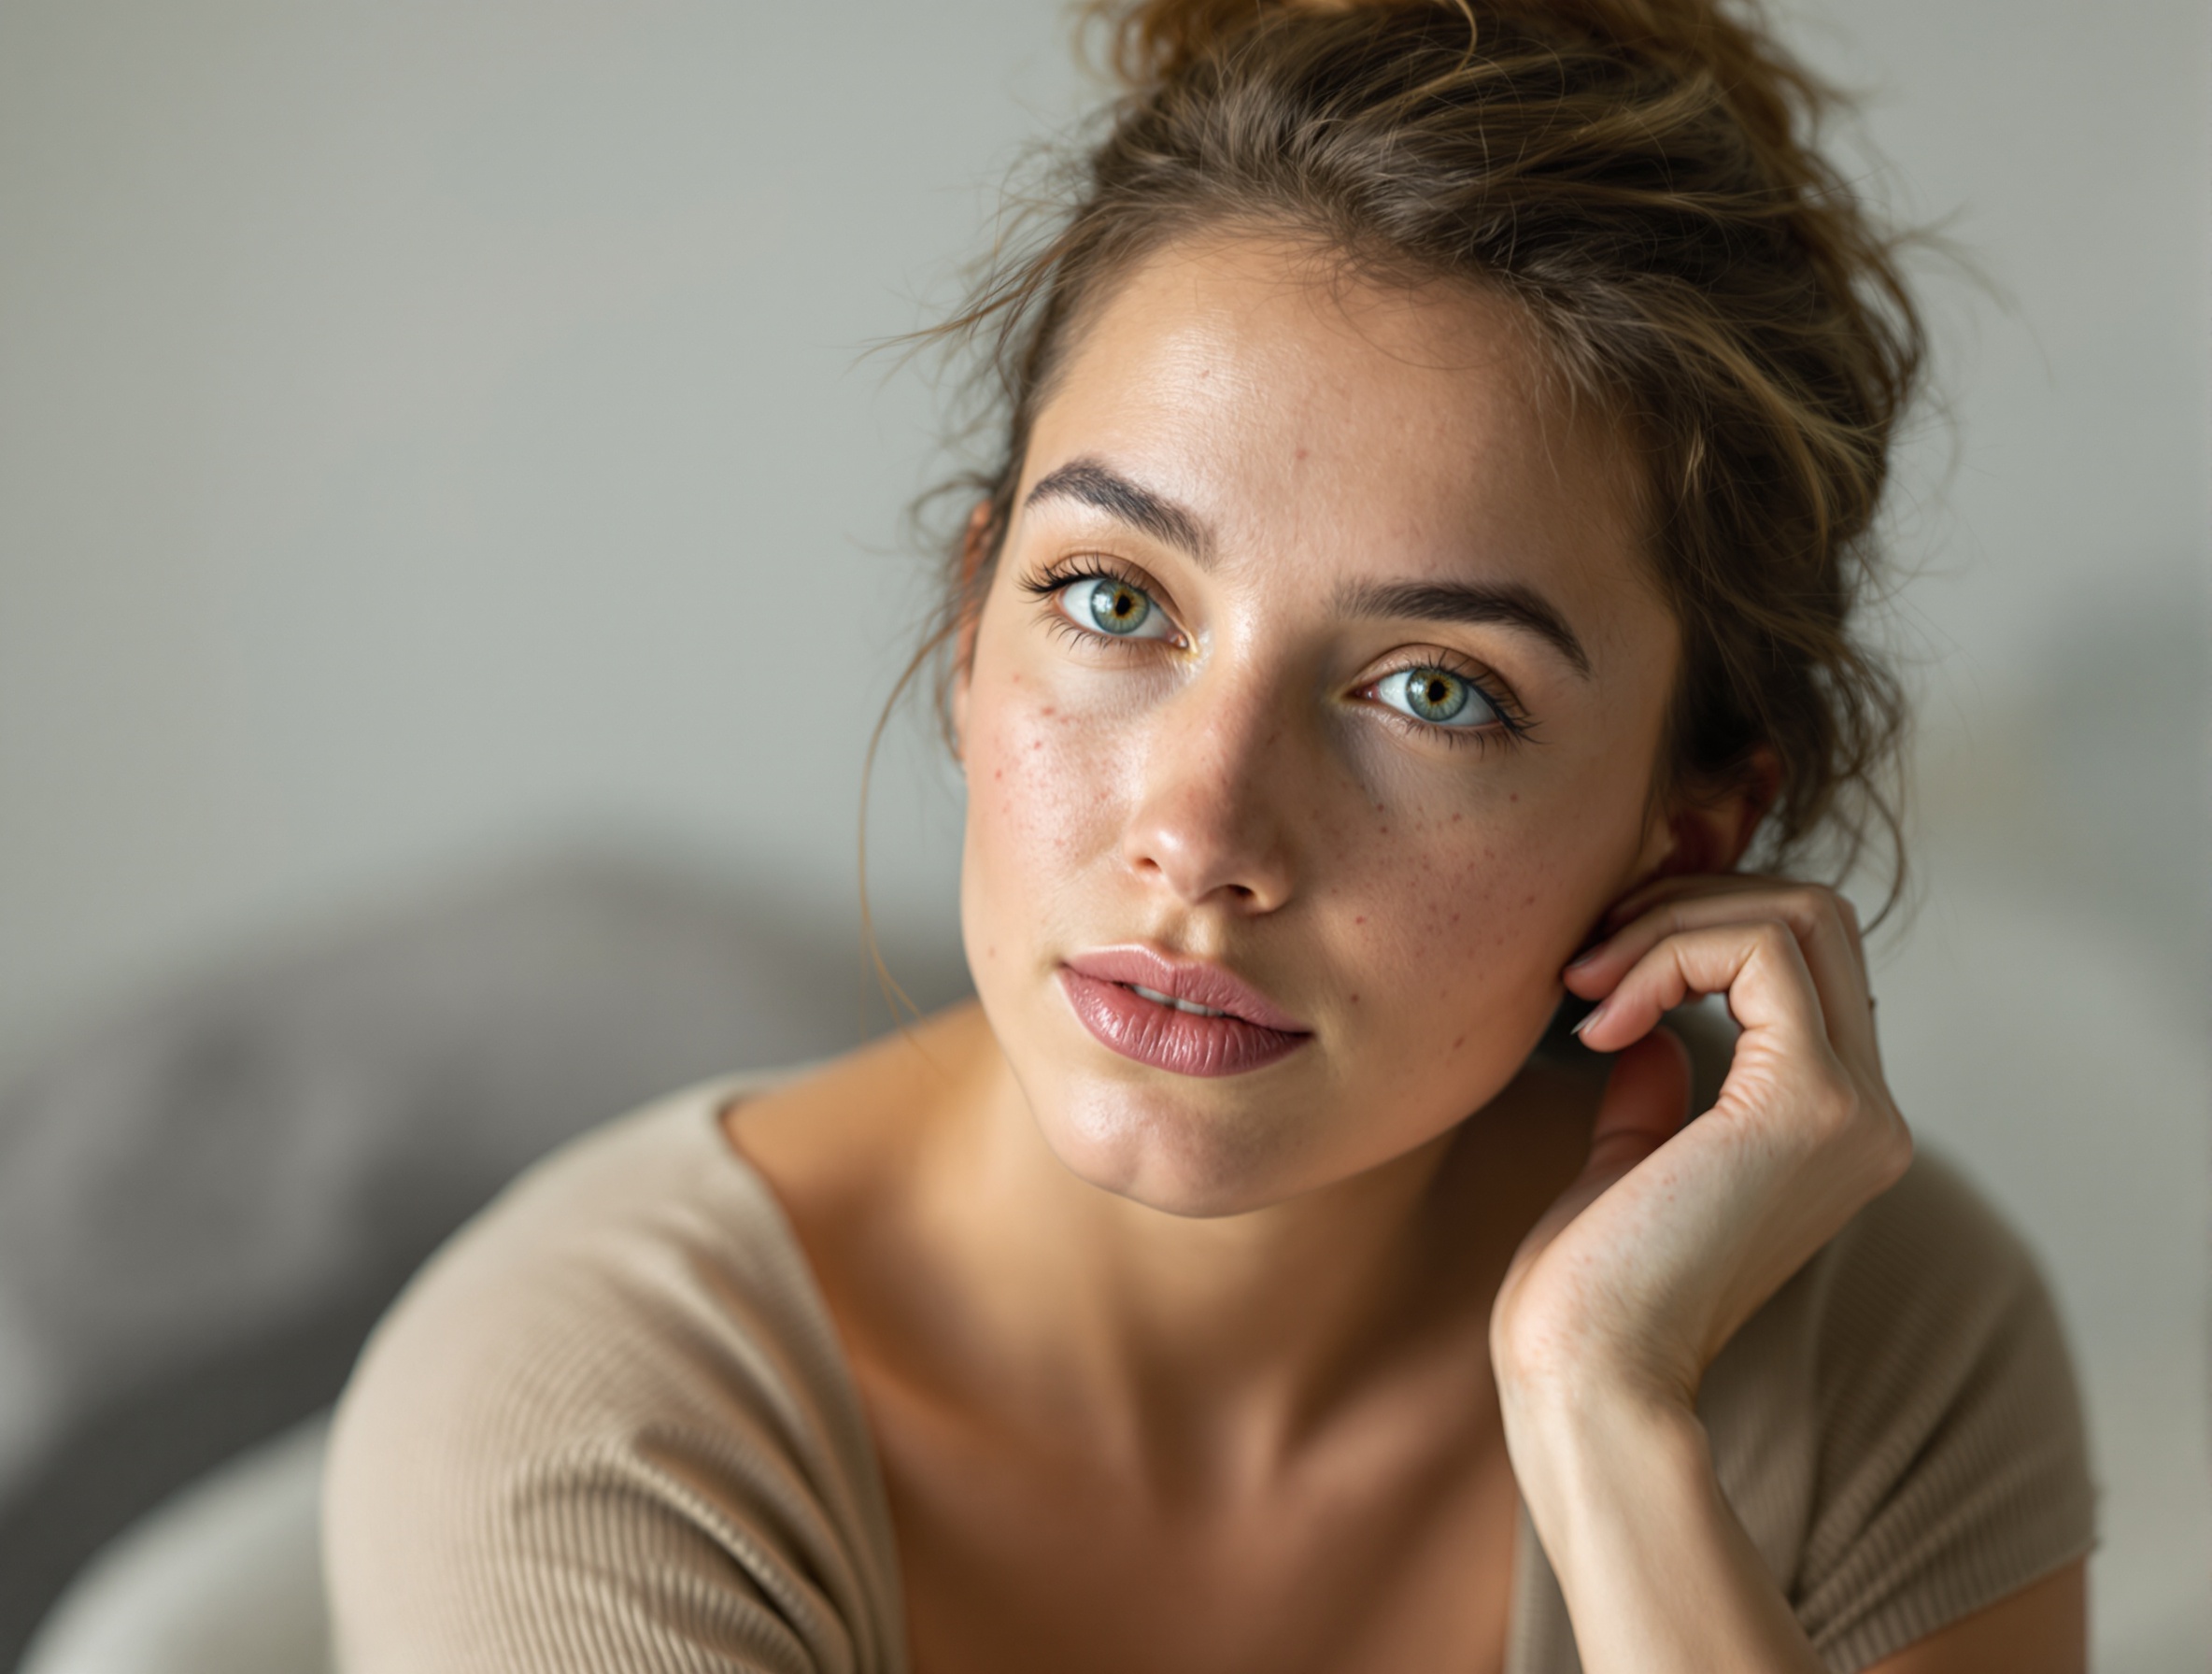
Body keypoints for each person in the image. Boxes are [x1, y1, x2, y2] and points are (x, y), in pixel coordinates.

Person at [322, 1, 2096, 1668]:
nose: (1201, 831)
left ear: (1687, 830)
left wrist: (1608, 1417)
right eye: (1110, 598)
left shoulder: (1872, 1342)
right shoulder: (583, 1415)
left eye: (1435, 692)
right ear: (967, 625)